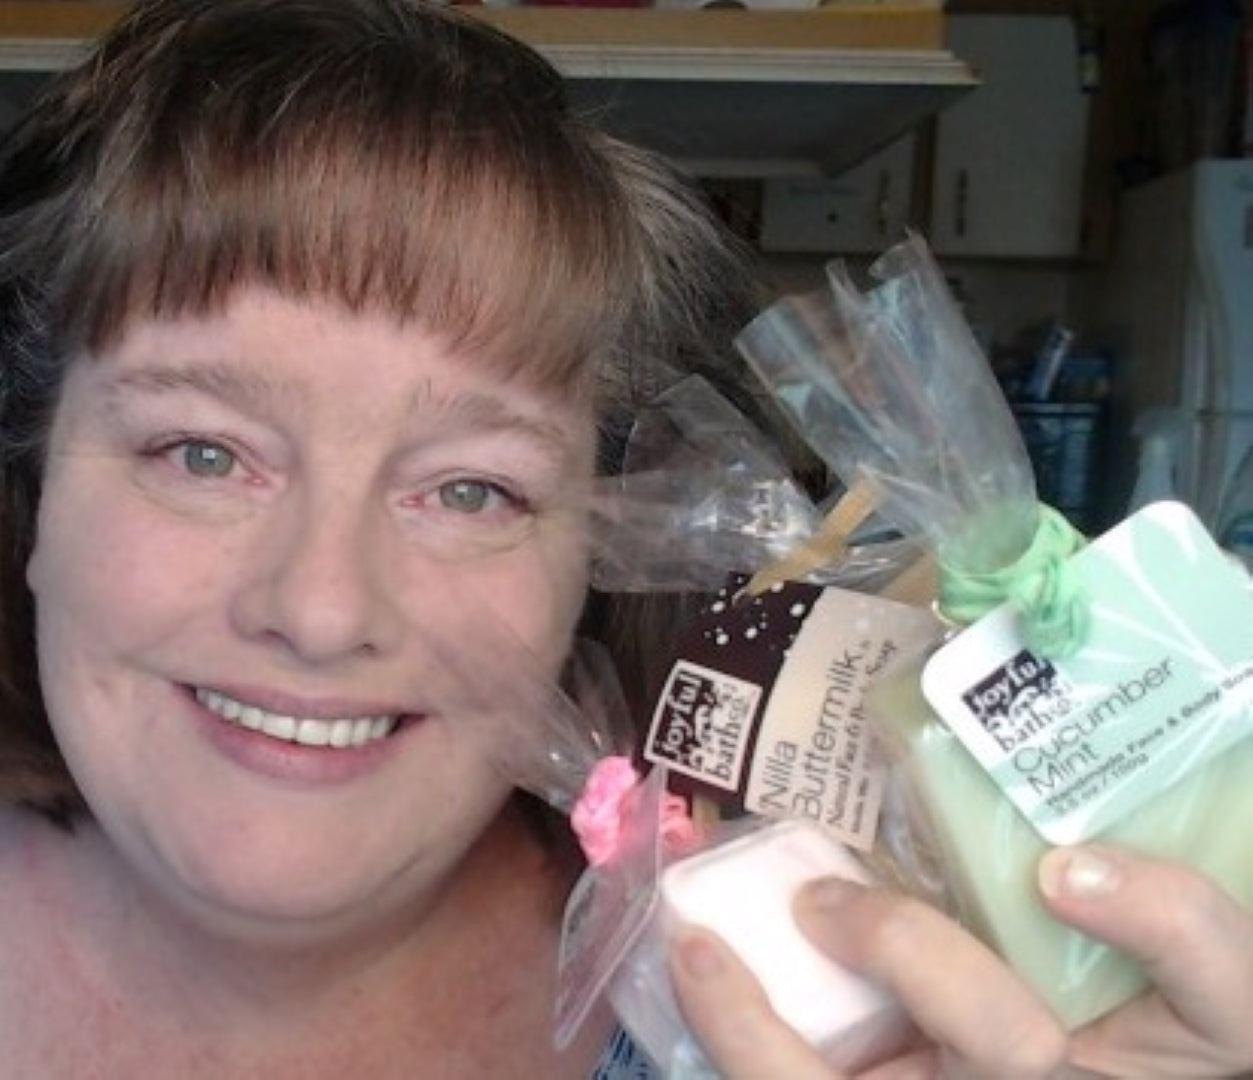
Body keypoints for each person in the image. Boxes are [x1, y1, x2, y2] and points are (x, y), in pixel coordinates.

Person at [0, 1, 1250, 1077]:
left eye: (472, 490)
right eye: (201, 454)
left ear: (597, 571)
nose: (320, 609)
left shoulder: (819, 995)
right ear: (31, 487)